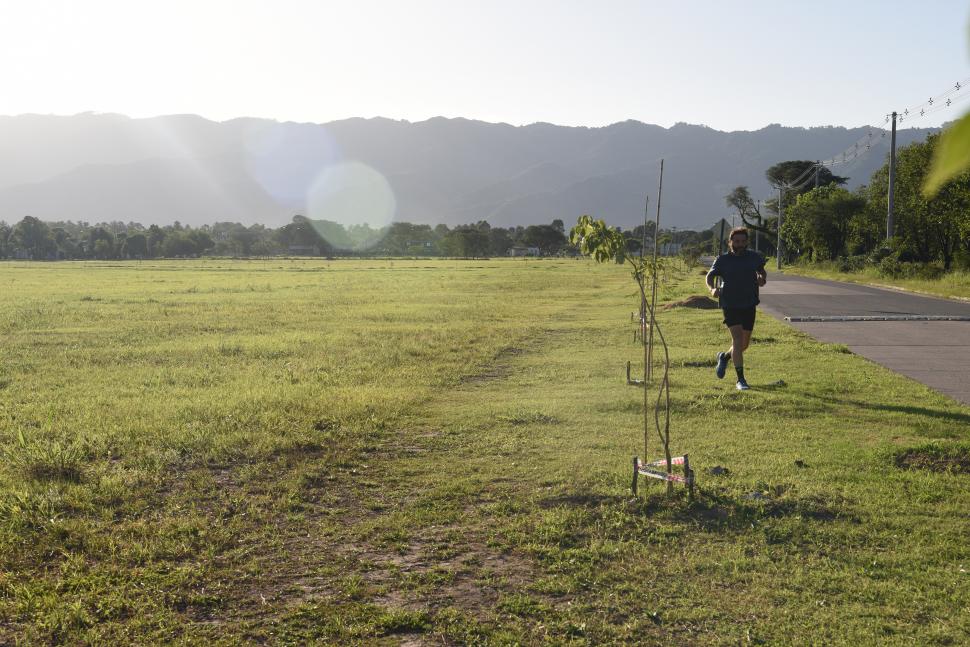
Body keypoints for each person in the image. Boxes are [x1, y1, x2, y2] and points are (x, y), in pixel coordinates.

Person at [705, 227, 767, 390]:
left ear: (746, 242)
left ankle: (724, 357)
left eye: (742, 241)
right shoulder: (722, 260)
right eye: (736, 241)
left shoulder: (754, 257)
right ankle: (741, 379)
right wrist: (712, 289)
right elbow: (709, 276)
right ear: (730, 242)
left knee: (744, 344)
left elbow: (761, 271)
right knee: (737, 340)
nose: (739, 244)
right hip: (730, 303)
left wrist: (762, 278)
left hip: (749, 303)